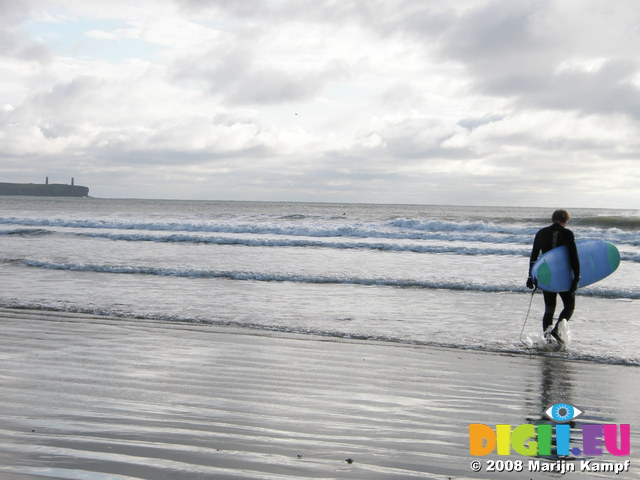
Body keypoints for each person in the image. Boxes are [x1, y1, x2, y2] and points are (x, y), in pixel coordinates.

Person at [527, 209, 580, 343]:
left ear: (553, 219)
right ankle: (557, 330)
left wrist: (530, 277)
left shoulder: (541, 233)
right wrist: (576, 277)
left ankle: (547, 340)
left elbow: (534, 257)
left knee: (549, 309)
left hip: (546, 275)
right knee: (569, 306)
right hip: (563, 275)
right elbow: (574, 257)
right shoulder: (567, 233)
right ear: (566, 220)